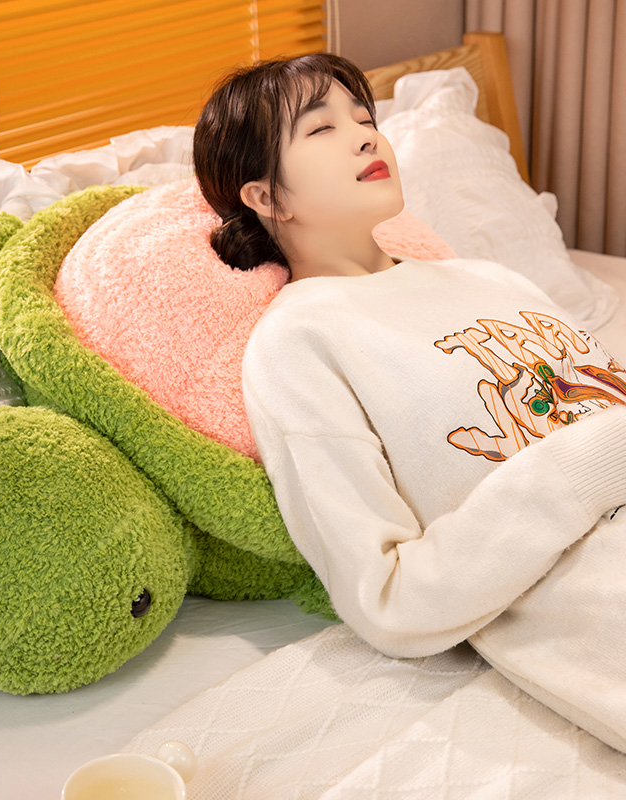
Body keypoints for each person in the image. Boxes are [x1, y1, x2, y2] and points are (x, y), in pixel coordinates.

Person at [192, 53, 626, 660]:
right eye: (322, 127)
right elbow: (387, 600)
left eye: (364, 117)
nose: (366, 135)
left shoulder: (489, 278)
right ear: (267, 196)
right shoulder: (298, 341)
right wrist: (580, 472)